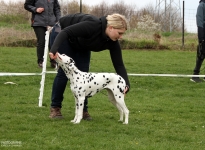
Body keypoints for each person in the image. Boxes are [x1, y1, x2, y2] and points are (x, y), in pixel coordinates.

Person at [48, 13, 130, 120]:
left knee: (84, 73)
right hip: (62, 33)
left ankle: (83, 110)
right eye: (119, 33)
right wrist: (54, 49)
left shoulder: (113, 42)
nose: (121, 37)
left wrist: (126, 85)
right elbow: (66, 32)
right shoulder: (92, 25)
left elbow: (119, 64)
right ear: (110, 28)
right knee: (64, 72)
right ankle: (55, 108)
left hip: (82, 43)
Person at [24, 0, 61, 68]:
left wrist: (58, 21)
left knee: (54, 42)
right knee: (42, 42)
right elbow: (26, 5)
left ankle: (54, 61)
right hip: (38, 23)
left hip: (53, 24)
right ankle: (41, 62)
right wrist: (36, 9)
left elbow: (57, 8)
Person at [190, 0, 205, 82]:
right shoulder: (202, 5)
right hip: (203, 33)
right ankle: (195, 75)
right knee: (201, 54)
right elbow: (199, 21)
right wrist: (201, 37)